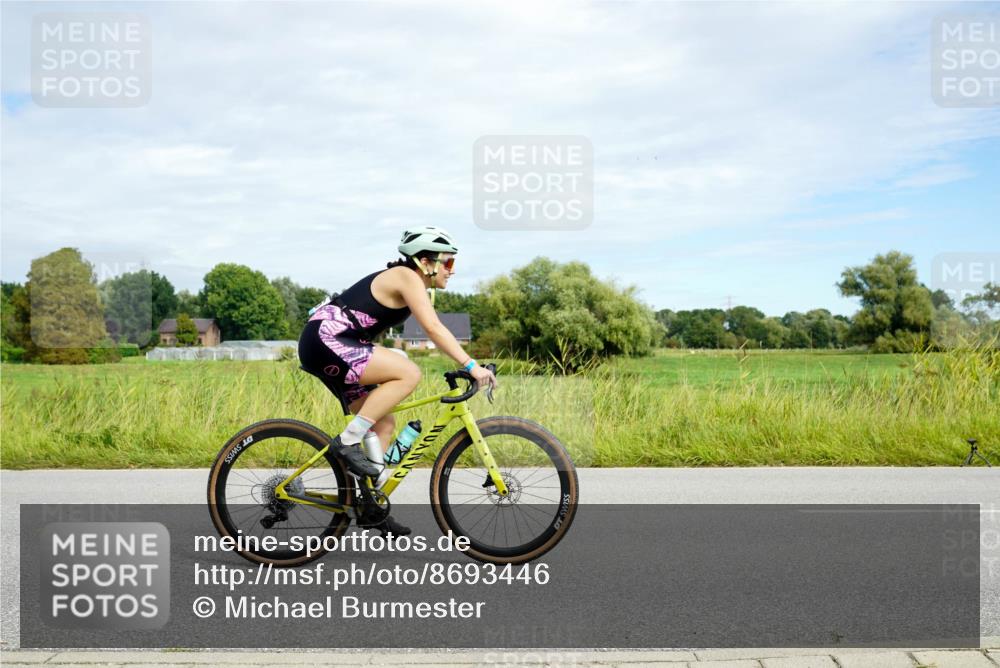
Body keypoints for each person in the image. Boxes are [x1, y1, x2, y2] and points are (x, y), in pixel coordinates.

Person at [297, 226, 497, 537]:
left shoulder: (409, 281)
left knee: (384, 424)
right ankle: (347, 442)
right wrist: (471, 365)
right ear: (425, 262)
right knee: (409, 372)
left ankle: (371, 506)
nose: (452, 270)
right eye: (448, 262)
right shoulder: (407, 277)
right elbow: (433, 327)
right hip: (327, 340)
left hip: (331, 343)